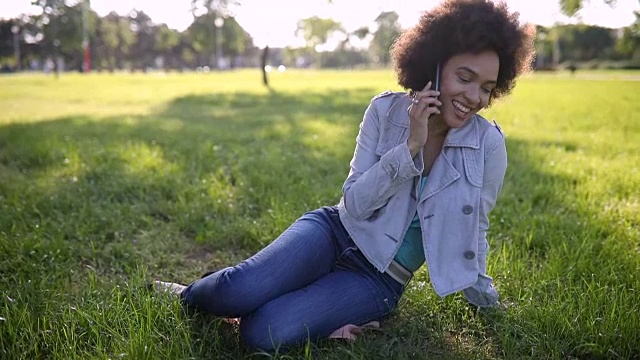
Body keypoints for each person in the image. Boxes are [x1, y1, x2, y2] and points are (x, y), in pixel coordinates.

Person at [154, 0, 536, 352]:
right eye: (464, 78)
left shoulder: (487, 145)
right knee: (236, 290)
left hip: (379, 281)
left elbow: (476, 229)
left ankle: (323, 311)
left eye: (486, 88)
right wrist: (409, 149)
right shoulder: (384, 112)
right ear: (434, 68)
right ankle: (187, 293)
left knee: (262, 334)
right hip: (333, 231)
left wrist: (488, 303)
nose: (474, 97)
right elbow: (354, 202)